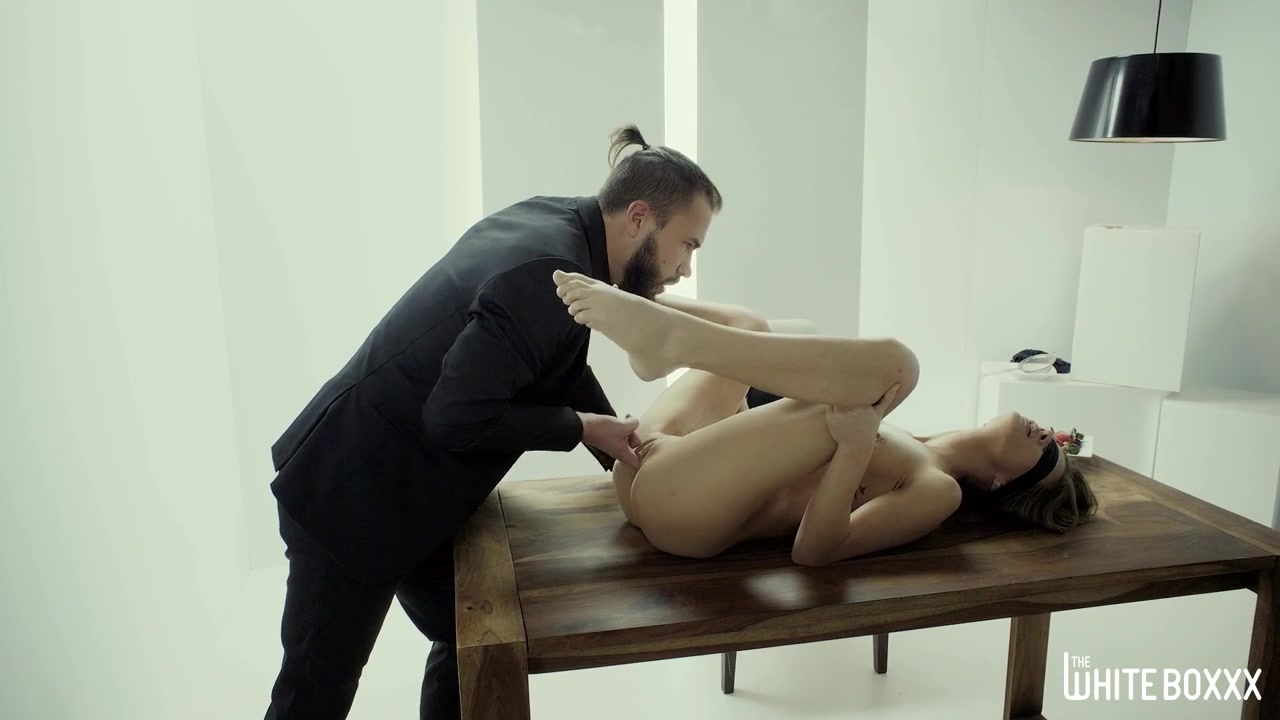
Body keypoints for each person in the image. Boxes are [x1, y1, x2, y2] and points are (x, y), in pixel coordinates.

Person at [264, 125, 722, 719]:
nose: (684, 269)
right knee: (312, 698)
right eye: (687, 245)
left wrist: (620, 442)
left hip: (405, 490)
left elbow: (553, 361)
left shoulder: (559, 229)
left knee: (469, 642)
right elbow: (454, 419)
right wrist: (581, 429)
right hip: (349, 495)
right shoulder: (546, 271)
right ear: (639, 218)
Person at [550, 275, 1098, 565]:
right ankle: (636, 301)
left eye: (1046, 457)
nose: (1047, 438)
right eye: (1056, 443)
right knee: (755, 326)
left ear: (1001, 482)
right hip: (646, 459)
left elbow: (816, 551)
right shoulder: (915, 438)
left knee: (897, 369)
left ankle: (668, 338)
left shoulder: (939, 490)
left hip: (685, 511)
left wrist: (855, 447)